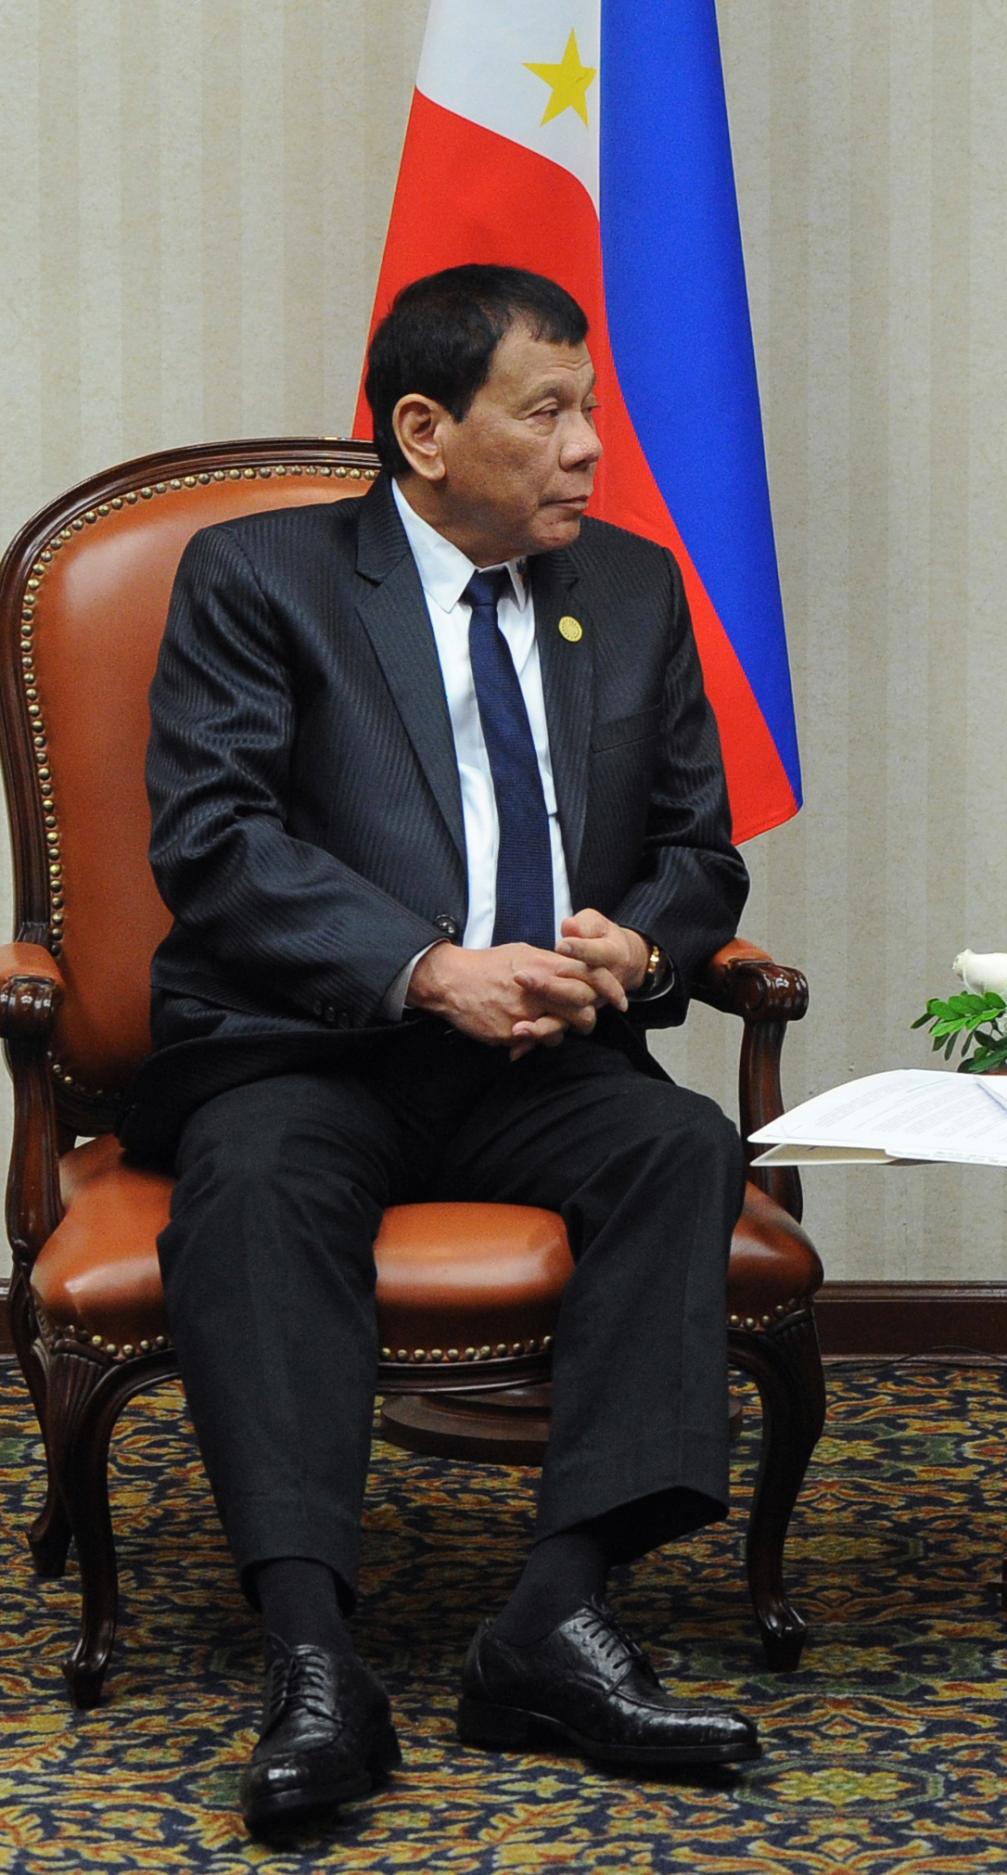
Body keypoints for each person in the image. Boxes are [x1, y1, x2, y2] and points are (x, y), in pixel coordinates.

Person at [127, 264, 763, 1835]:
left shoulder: (627, 588)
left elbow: (701, 847)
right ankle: (315, 1657)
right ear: (424, 430)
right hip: (309, 1048)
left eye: (590, 410)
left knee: (682, 1148)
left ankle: (550, 1617)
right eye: (545, 413)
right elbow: (212, 843)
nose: (588, 450)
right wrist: (422, 970)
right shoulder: (258, 577)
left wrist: (642, 938)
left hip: (541, 1065)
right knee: (261, 1187)